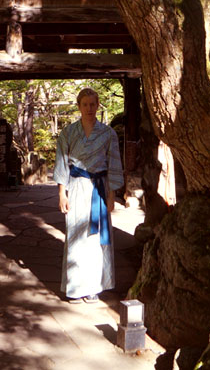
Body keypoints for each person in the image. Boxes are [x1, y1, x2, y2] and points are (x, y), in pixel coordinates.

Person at [54, 88, 123, 303]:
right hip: (76, 187)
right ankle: (75, 288)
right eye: (85, 104)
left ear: (98, 105)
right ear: (79, 106)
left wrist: (111, 195)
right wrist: (61, 194)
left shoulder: (108, 134)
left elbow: (113, 163)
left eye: (93, 104)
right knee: (75, 237)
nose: (89, 109)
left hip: (99, 189)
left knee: (95, 241)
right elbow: (62, 164)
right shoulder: (68, 133)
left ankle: (95, 286)